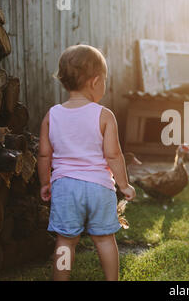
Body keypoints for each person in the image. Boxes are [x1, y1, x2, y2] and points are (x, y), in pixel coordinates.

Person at [37, 44, 136, 281]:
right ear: (95, 82)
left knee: (65, 241)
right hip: (99, 188)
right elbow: (113, 155)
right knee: (104, 239)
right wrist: (124, 185)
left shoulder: (52, 115)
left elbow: (43, 155)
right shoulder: (104, 115)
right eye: (104, 80)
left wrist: (45, 182)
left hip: (65, 187)